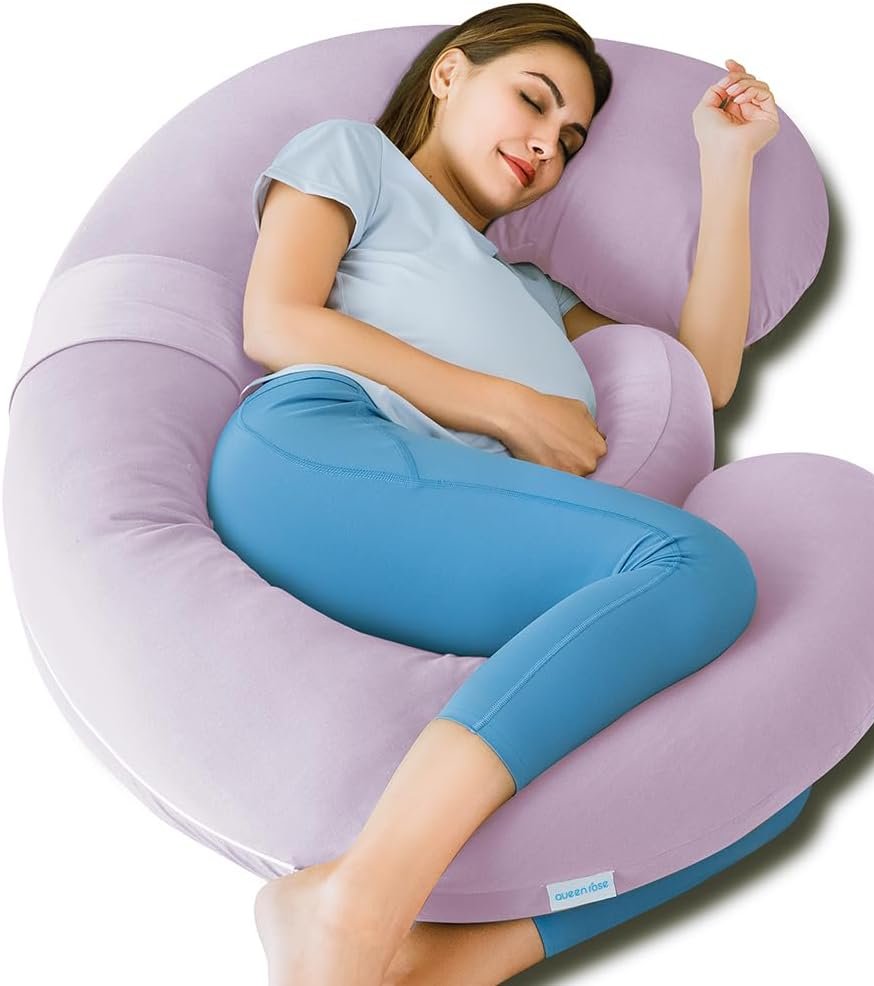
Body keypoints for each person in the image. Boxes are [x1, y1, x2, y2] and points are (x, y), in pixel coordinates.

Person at [207, 3, 780, 983]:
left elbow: (705, 374)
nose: (547, 144)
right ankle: (358, 907)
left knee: (769, 765)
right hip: (317, 452)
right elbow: (277, 317)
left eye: (571, 139)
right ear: (449, 74)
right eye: (533, 100)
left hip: (444, 521)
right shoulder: (356, 158)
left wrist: (728, 163)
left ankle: (436, 966)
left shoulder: (534, 293)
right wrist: (508, 406)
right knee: (697, 565)